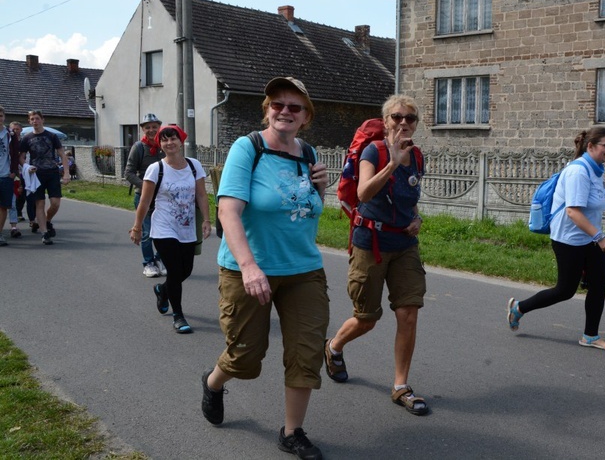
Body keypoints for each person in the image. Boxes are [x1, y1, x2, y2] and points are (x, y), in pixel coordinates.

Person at [200, 77, 329, 460]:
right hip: (248, 270)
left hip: (303, 269)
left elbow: (304, 210)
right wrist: (250, 267)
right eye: (278, 104)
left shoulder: (308, 153)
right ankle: (213, 382)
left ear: (306, 116)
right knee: (245, 356)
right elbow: (228, 210)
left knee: (306, 353)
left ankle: (292, 432)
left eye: (294, 107)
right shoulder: (248, 148)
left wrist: (321, 190)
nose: (285, 111)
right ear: (267, 109)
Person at [324, 94, 429, 416]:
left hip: (404, 246)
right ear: (386, 121)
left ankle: (400, 386)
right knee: (367, 319)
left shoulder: (419, 157)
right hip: (371, 243)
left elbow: (409, 197)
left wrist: (416, 218)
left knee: (408, 312)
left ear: (416, 124)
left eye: (409, 118)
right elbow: (363, 192)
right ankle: (333, 347)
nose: (403, 123)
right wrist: (393, 162)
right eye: (396, 117)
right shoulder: (375, 151)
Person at [506, 127, 605, 352]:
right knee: (565, 290)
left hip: (590, 238)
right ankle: (519, 308)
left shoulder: (596, 170)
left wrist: (598, 237)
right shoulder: (578, 172)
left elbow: (591, 209)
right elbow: (573, 212)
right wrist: (601, 237)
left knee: (598, 285)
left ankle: (590, 336)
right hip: (568, 239)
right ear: (591, 146)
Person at [129, 124, 210, 333]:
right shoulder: (156, 169)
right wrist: (137, 227)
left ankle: (162, 290)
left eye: (173, 138)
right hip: (163, 227)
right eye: (164, 139)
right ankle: (178, 315)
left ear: (181, 140)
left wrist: (207, 220)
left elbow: (201, 195)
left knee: (186, 270)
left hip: (187, 227)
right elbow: (145, 201)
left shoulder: (194, 166)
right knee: (174, 270)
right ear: (160, 144)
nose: (169, 143)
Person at [19, 110, 69, 245]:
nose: (35, 121)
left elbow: (62, 154)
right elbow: (21, 157)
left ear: (42, 120)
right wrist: (27, 166)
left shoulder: (52, 136)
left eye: (37, 118)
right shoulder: (27, 138)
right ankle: (44, 233)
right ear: (29, 121)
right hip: (36, 174)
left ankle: (47, 220)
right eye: (32, 119)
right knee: (39, 203)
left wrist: (66, 173)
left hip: (52, 172)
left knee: (55, 203)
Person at [125, 113, 166, 277]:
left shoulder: (164, 145)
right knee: (148, 232)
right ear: (142, 129)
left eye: (154, 127)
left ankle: (160, 259)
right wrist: (147, 187)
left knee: (164, 232)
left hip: (163, 197)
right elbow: (128, 173)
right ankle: (148, 263)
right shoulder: (139, 147)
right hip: (144, 197)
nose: (151, 130)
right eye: (147, 127)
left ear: (159, 127)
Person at [0, 106, 21, 246]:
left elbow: (15, 155)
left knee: (3, 207)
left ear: (4, 117)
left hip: (5, 175)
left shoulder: (10, 134)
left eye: (0, 115)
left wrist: (14, 172)